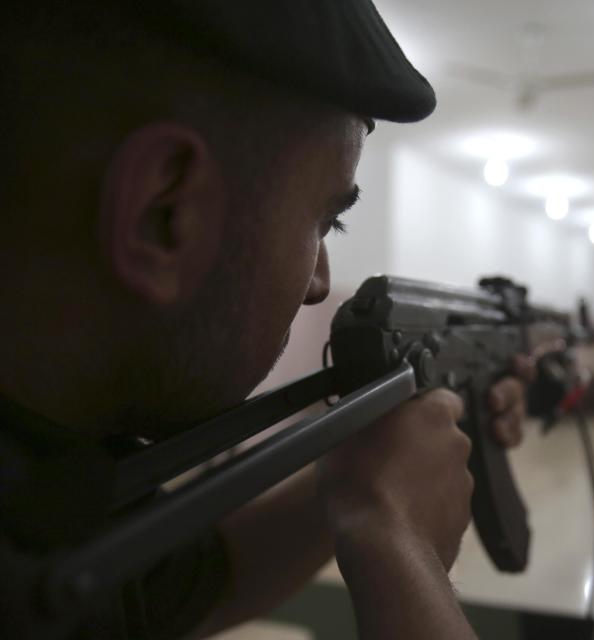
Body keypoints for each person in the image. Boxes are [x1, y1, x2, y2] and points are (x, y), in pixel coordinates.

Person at [0, 2, 533, 638]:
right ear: (164, 213)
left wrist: (371, 481)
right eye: (326, 220)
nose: (320, 283)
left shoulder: (52, 476)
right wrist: (404, 555)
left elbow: (198, 585)